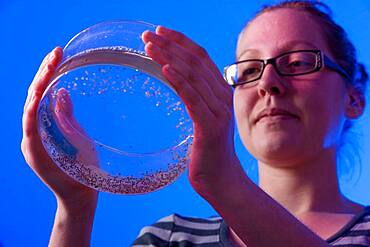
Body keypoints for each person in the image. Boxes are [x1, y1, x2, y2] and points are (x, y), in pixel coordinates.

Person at [21, 0, 370, 246]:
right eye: (248, 70)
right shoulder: (171, 238)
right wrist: (76, 208)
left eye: (296, 62)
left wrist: (226, 184)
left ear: (355, 98)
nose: (268, 83)